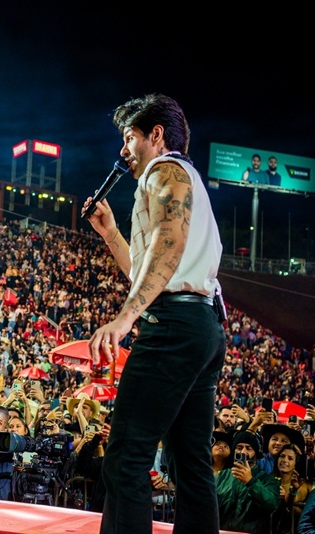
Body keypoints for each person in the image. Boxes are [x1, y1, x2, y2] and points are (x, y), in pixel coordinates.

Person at [83, 94, 226, 534]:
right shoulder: (185, 178)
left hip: (172, 327)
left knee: (126, 457)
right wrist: (110, 234)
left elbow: (169, 242)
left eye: (129, 138)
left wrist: (126, 318)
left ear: (155, 135)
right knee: (192, 465)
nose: (123, 151)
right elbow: (155, 268)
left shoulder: (165, 171)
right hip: (201, 326)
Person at [216, 431, 281, 534]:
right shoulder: (222, 476)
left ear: (256, 452)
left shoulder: (267, 479)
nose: (243, 452)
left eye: (249, 448)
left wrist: (250, 482)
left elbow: (272, 505)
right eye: (239, 447)